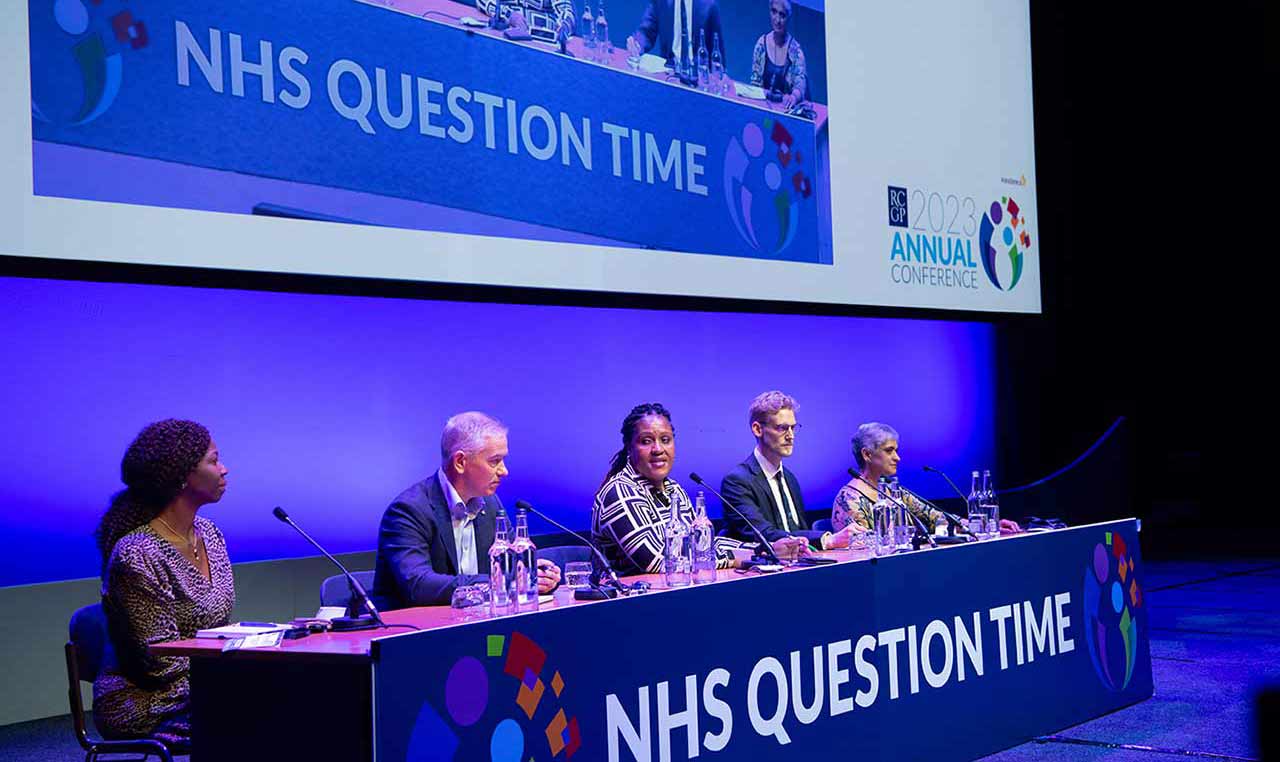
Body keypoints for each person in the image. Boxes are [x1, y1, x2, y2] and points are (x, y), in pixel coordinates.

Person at [93, 419, 234, 752]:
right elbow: (161, 660)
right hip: (147, 700)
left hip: (201, 683)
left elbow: (217, 630)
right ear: (182, 475)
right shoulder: (137, 553)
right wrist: (234, 668)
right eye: (214, 461)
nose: (225, 470)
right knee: (270, 708)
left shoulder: (210, 534)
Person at [372, 412, 560, 608]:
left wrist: (534, 576)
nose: (504, 471)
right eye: (494, 461)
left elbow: (511, 566)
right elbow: (418, 585)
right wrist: (496, 583)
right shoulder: (409, 510)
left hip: (473, 623)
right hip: (413, 630)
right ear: (460, 462)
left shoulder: (491, 504)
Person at [593, 403, 748, 575]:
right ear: (630, 448)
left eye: (665, 440)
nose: (658, 449)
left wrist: (759, 550)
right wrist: (732, 559)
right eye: (646, 441)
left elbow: (702, 545)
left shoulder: (674, 490)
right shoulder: (619, 492)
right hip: (625, 599)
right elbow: (657, 561)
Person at [721, 391, 855, 551]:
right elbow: (762, 533)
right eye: (782, 428)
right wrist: (827, 540)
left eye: (793, 428)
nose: (790, 436)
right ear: (757, 429)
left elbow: (798, 530)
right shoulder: (737, 481)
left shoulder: (789, 478)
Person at [833, 422, 1022, 535]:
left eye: (896, 451)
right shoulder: (849, 499)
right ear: (867, 454)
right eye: (889, 451)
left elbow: (938, 518)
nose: (897, 458)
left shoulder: (894, 491)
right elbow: (860, 549)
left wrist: (988, 525)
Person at [626, 0, 724, 70]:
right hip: (669, 69)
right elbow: (646, 31)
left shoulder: (709, 5)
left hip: (698, 73)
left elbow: (717, 50)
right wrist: (638, 45)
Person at [750, 0, 808, 109]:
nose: (777, 20)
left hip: (786, 108)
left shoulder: (796, 51)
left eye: (782, 15)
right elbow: (755, 82)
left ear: (789, 17)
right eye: (774, 12)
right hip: (764, 106)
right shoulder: (761, 44)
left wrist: (794, 97)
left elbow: (800, 85)